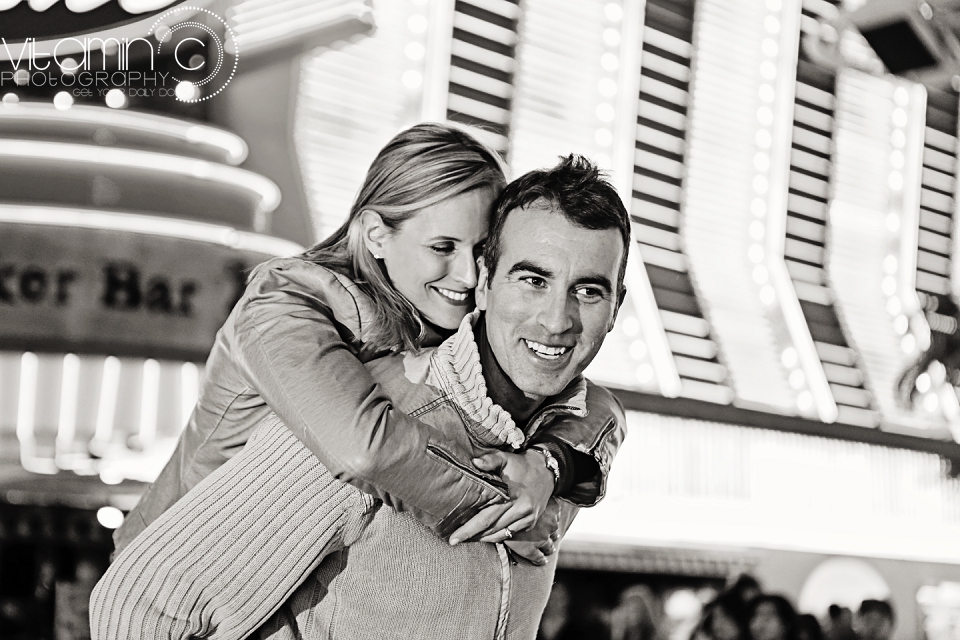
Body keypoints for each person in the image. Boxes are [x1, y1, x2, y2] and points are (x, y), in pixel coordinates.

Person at [91, 155, 630, 640]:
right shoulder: (314, 345)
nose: (557, 319)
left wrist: (554, 464)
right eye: (532, 279)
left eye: (588, 290)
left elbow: (603, 412)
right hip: (169, 535)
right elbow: (136, 606)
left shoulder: (549, 432)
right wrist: (506, 506)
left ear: (616, 306)